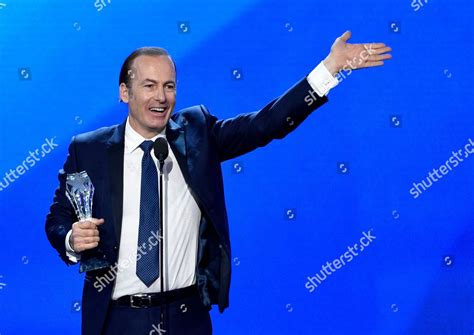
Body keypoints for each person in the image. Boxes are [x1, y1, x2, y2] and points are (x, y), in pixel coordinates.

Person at [45, 31, 391, 335]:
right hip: (117, 320)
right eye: (148, 86)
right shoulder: (88, 150)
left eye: (169, 86)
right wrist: (72, 238)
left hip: (186, 316)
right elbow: (57, 219)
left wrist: (328, 70)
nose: (161, 97)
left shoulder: (197, 135)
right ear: (124, 92)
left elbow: (265, 124)